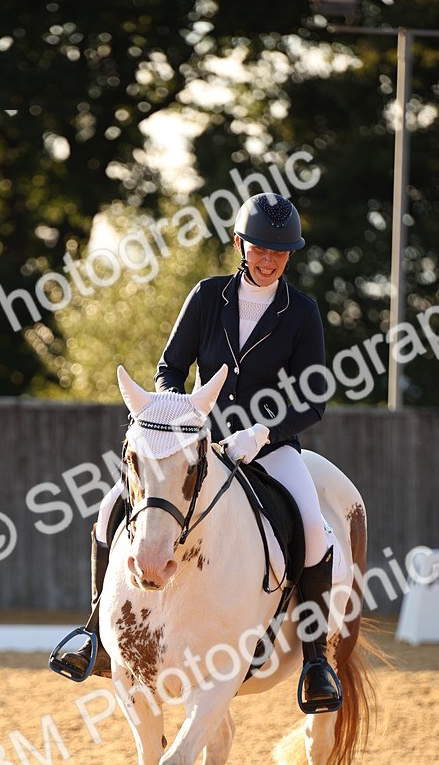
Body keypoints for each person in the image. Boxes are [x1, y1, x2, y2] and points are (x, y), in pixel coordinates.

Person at [50, 192, 341, 712]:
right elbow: (169, 368)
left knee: (315, 530)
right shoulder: (207, 296)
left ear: (290, 256)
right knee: (108, 511)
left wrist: (263, 433)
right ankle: (95, 634)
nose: (270, 259)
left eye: (281, 252)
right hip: (197, 443)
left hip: (267, 446)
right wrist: (178, 414)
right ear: (240, 244)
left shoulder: (303, 312)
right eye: (260, 249)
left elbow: (313, 397)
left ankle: (316, 660)